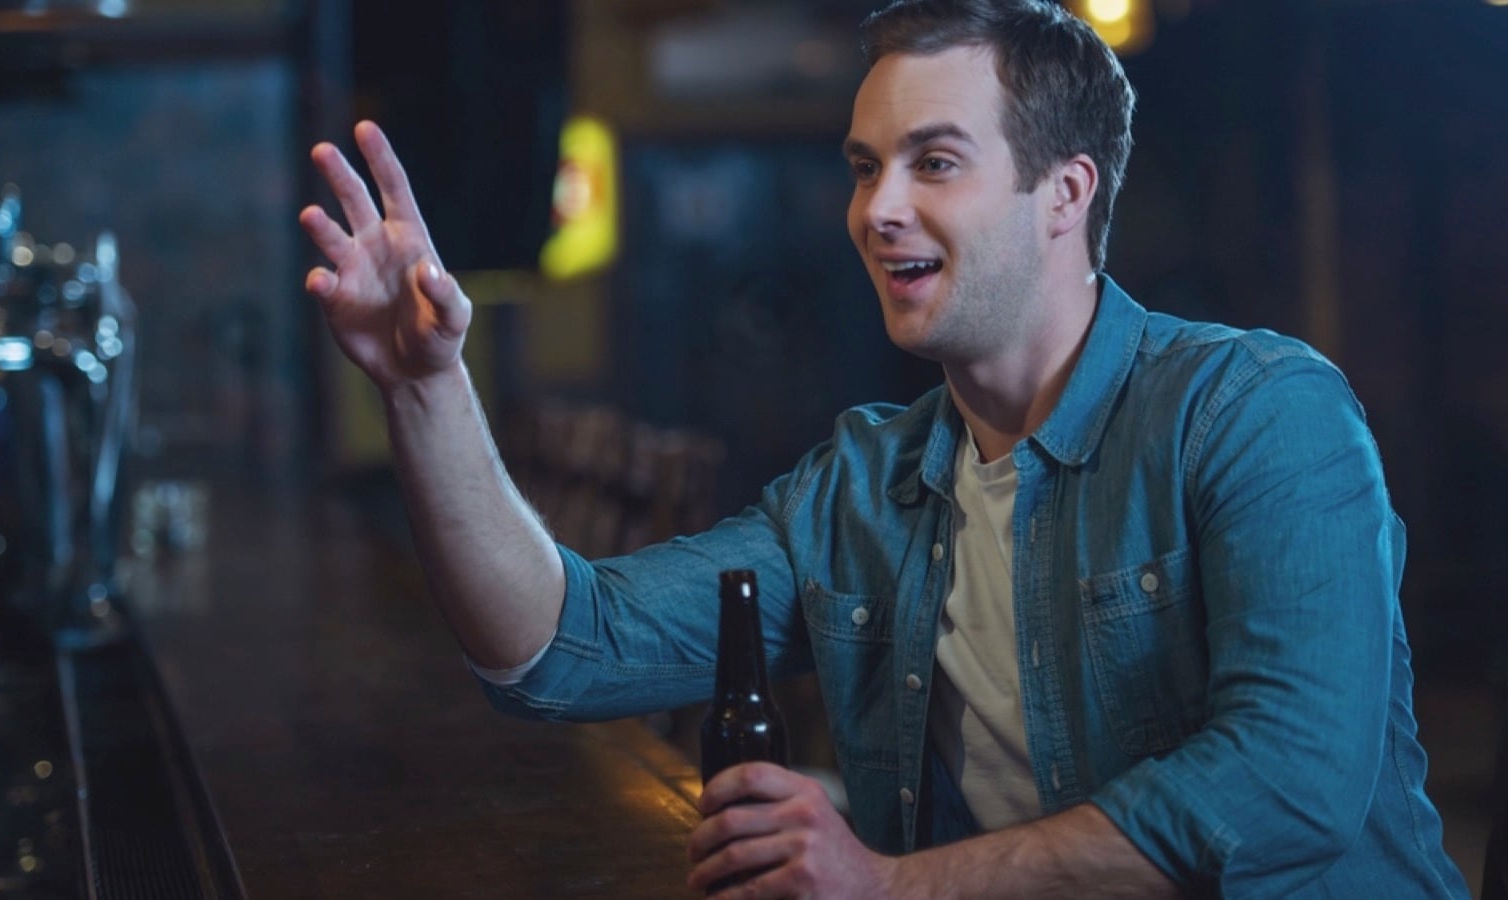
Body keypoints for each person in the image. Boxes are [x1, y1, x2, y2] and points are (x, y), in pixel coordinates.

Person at [299, 0, 1469, 895]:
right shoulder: (863, 488)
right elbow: (561, 649)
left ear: (1063, 193)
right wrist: (425, 389)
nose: (876, 209)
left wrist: (891, 881)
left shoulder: (1260, 410)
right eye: (865, 168)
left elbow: (1289, 781)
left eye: (934, 162)